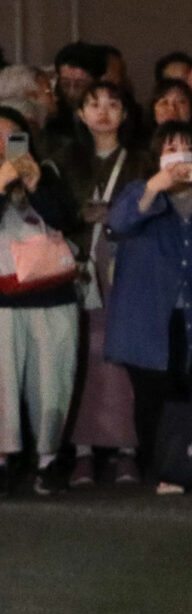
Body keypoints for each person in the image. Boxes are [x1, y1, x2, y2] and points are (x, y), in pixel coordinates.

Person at [106, 120, 192, 484]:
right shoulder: (140, 192)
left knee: (187, 392)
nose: (179, 157)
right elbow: (118, 224)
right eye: (169, 149)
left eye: (187, 149)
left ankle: (184, 467)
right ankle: (159, 468)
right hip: (144, 319)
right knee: (151, 395)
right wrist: (154, 187)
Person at [54, 82, 142, 484]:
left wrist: (118, 213)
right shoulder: (63, 160)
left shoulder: (142, 160)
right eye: (94, 105)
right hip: (78, 263)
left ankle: (127, 449)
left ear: (125, 113)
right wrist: (78, 216)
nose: (103, 112)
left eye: (113, 104)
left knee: (124, 357)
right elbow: (49, 211)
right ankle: (83, 451)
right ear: (81, 114)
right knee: (81, 358)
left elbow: (155, 205)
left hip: (126, 264)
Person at [0, 107, 80, 494]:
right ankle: (4, 459)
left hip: (50, 294)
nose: (3, 145)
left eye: (11, 136)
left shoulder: (46, 171)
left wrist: (35, 185)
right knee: (1, 386)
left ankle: (49, 461)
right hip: (2, 299)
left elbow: (68, 219)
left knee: (52, 381)